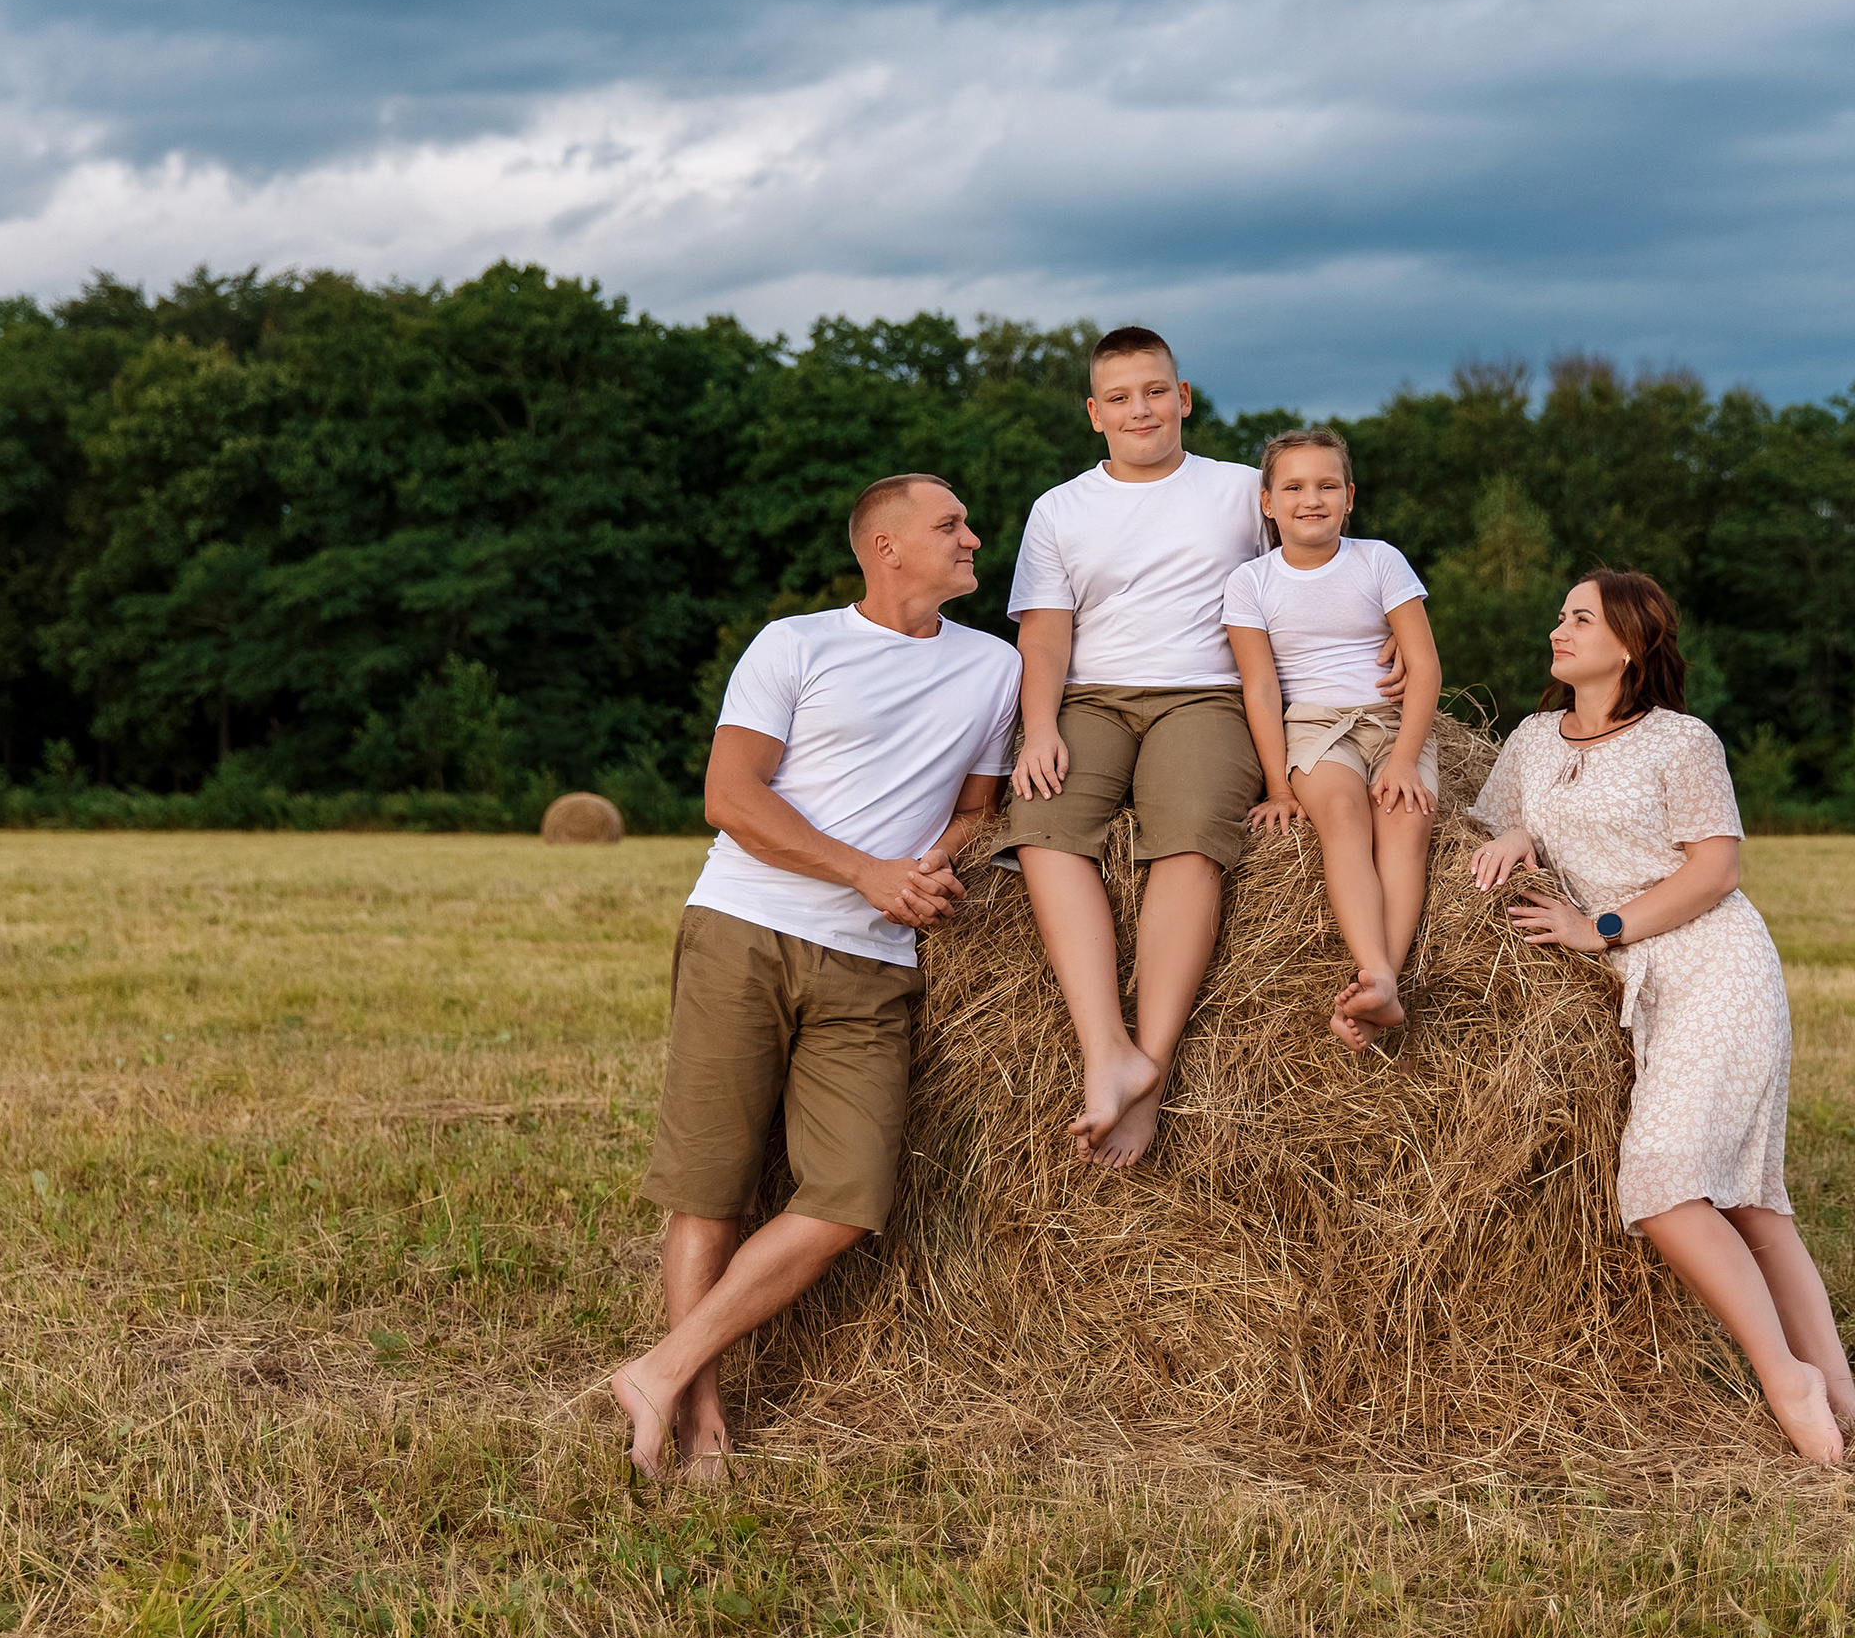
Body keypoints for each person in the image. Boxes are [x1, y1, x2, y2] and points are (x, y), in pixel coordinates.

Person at [607, 474, 1021, 1483]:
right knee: (711, 1188)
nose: (973, 538)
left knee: (846, 1197)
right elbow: (730, 795)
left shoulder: (995, 669)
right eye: (950, 525)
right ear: (886, 547)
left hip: (873, 965)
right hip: (745, 930)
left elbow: (974, 804)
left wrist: (937, 860)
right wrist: (863, 871)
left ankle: (658, 1371)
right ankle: (700, 1419)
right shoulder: (795, 645)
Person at [1469, 569, 1855, 1465]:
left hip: (1714, 963)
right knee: (1755, 1207)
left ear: (1631, 643)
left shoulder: (1681, 740)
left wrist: (1596, 926)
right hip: (1640, 987)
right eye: (1560, 615)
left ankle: (1787, 1377)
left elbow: (1714, 869)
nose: (1558, 628)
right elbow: (1485, 830)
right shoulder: (1532, 740)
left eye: (1580, 618)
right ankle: (1842, 1399)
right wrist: (1520, 836)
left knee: (1663, 1179)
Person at [1000, 326, 1268, 1168]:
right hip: (1091, 698)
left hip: (1206, 694)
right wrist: (1038, 724)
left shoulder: (1243, 491)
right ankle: (1104, 1048)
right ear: (1094, 413)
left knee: (1188, 839)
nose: (1139, 409)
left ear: (1183, 398)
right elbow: (1045, 635)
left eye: (1155, 391)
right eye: (1119, 397)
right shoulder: (1060, 509)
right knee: (1041, 824)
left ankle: (1147, 1073)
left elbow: (1307, 575)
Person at [1225, 427, 1443, 1050]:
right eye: (1292, 486)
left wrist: (1404, 759)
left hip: (1392, 721)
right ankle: (1378, 973)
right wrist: (1276, 785)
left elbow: (1424, 667)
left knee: (1405, 825)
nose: (1310, 499)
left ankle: (1381, 981)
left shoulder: (1379, 560)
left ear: (1350, 497)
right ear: (1267, 502)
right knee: (1344, 815)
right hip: (1317, 725)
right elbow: (1262, 690)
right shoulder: (1252, 581)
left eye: (1326, 485)